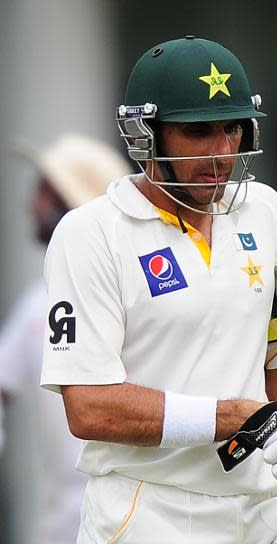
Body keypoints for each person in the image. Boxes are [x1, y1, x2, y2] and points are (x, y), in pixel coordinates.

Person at [41, 36, 277, 543]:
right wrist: (243, 418)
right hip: (153, 508)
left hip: (267, 506)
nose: (221, 152)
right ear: (146, 134)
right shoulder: (91, 233)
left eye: (233, 129)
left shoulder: (262, 209)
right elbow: (90, 407)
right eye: (198, 131)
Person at [0, 134, 132, 544]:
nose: (32, 207)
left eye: (46, 192)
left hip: (144, 511)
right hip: (64, 521)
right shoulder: (38, 300)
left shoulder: (137, 290)